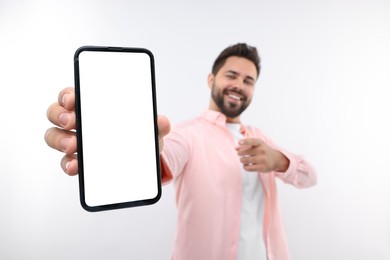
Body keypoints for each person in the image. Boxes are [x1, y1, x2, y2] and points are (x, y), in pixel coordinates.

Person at [45, 43, 317, 260]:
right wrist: (136, 148)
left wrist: (278, 160)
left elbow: (309, 177)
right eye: (231, 75)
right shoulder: (187, 134)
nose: (239, 85)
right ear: (211, 79)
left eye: (249, 80)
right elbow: (163, 157)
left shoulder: (260, 138)